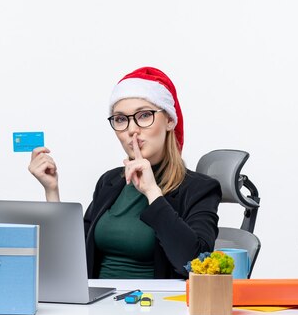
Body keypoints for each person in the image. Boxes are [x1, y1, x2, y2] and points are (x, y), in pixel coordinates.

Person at [28, 67, 222, 279]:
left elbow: (196, 265)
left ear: (169, 120)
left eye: (144, 115)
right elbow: (72, 258)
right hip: (97, 304)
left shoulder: (200, 188)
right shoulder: (110, 181)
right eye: (121, 119)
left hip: (153, 306)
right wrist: (52, 190)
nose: (132, 129)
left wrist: (152, 192)